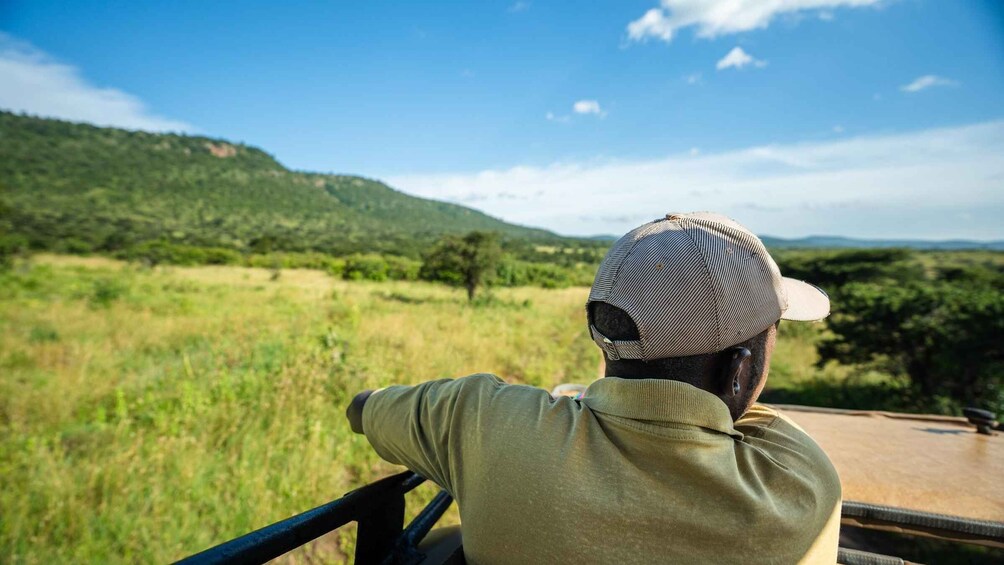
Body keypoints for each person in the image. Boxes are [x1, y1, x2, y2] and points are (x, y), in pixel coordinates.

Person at [346, 212, 842, 564]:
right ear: (739, 369)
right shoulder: (798, 481)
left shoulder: (476, 418)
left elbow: (361, 409)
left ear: (606, 338)